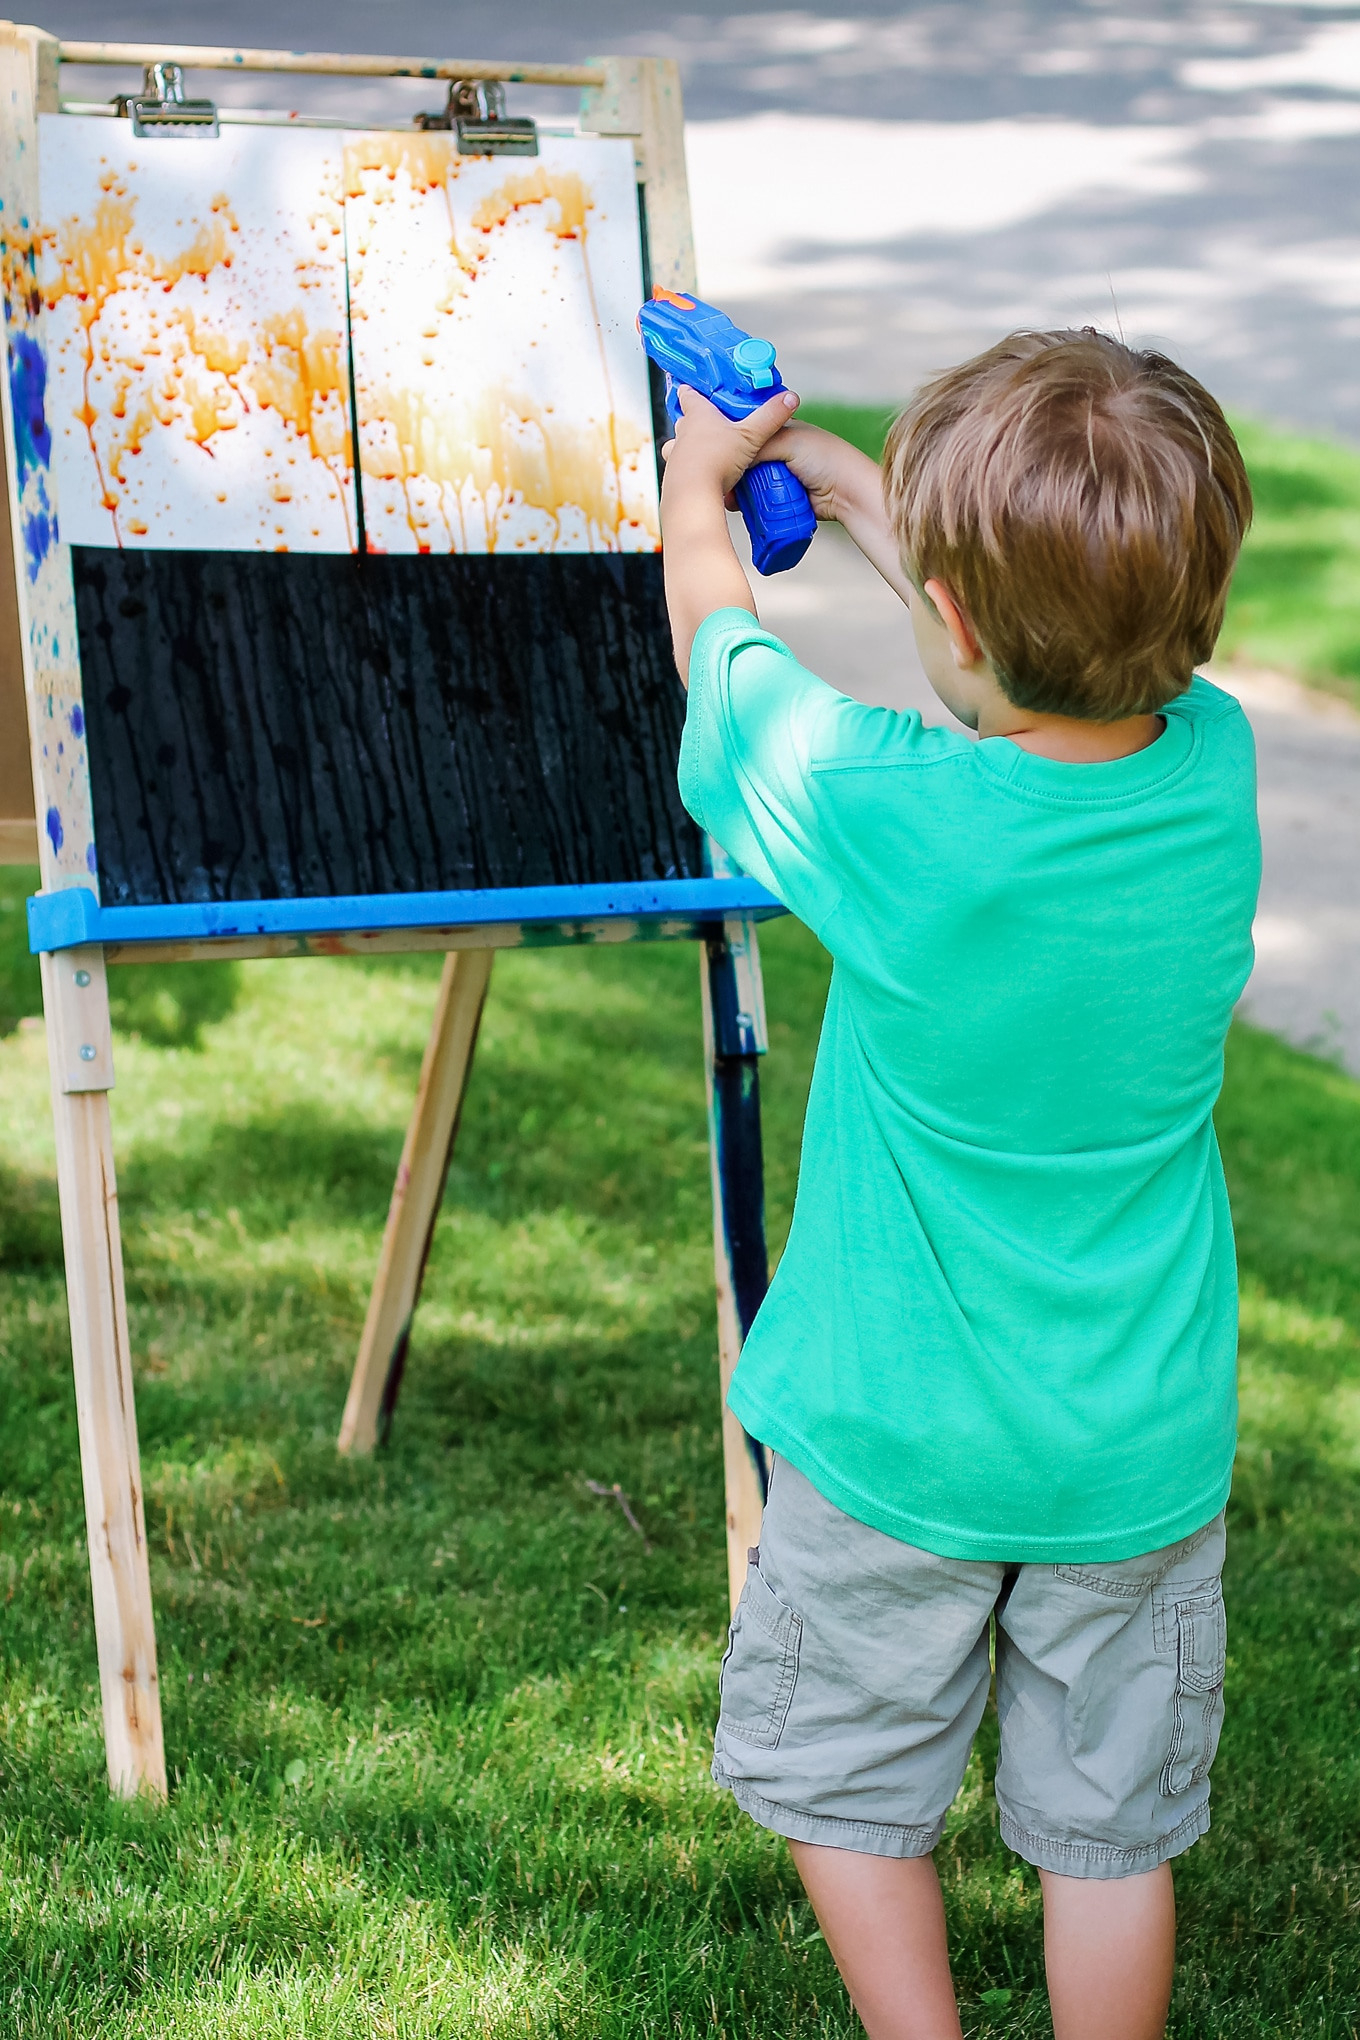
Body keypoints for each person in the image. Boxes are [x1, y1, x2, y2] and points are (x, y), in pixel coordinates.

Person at [660, 328, 1259, 2040]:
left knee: (846, 1778)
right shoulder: (1211, 779)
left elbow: (726, 659)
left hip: (896, 1436)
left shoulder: (881, 811)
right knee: (1107, 1831)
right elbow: (1043, 656)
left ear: (957, 621)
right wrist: (863, 491)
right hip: (1134, 1445)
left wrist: (698, 500)